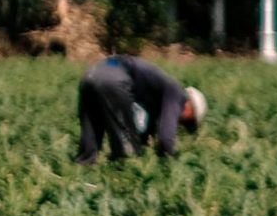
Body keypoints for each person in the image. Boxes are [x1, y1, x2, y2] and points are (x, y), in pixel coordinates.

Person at [76, 56, 206, 162]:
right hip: (112, 80)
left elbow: (144, 126)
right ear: (190, 106)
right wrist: (168, 163)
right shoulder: (177, 94)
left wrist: (144, 143)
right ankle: (122, 184)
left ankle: (82, 178)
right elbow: (166, 137)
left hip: (91, 74)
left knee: (88, 148)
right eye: (189, 121)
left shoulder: (157, 94)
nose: (181, 124)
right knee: (128, 156)